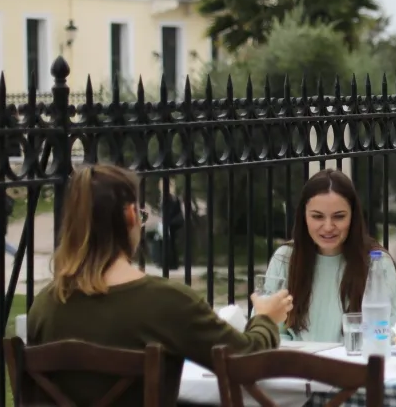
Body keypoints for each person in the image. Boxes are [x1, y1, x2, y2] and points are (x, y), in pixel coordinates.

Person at [27, 165, 289, 407]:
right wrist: (266, 318)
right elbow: (246, 361)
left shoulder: (45, 306)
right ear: (131, 215)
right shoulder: (168, 302)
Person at [264, 169, 396, 342]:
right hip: (295, 359)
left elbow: (390, 334)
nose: (328, 227)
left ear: (353, 217)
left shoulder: (377, 263)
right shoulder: (284, 259)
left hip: (356, 359)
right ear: (304, 216)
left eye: (339, 217)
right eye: (317, 216)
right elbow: (267, 331)